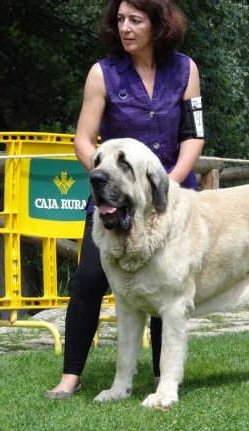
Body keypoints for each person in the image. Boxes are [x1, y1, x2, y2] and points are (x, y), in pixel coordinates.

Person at [45, 0, 204, 399]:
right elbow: (83, 139)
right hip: (113, 197)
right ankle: (70, 376)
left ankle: (159, 376)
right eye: (120, 20)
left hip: (172, 193)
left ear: (159, 24)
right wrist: (103, 175)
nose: (125, 28)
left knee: (165, 279)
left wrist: (167, 183)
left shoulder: (187, 70)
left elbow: (194, 136)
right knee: (89, 278)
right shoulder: (102, 74)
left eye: (135, 20)